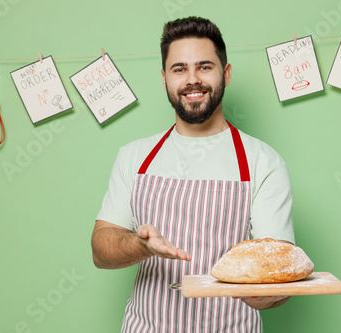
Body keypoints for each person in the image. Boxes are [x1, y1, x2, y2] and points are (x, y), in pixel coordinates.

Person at [91, 16, 295, 332]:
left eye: (204, 67)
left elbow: (278, 267)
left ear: (225, 73)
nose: (192, 80)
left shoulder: (263, 162)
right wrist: (141, 245)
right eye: (179, 69)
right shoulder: (134, 156)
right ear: (164, 78)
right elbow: (101, 251)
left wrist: (265, 295)